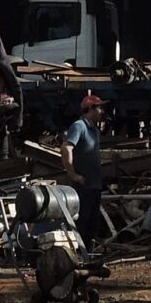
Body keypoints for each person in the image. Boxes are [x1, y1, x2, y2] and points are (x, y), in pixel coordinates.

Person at [64, 93, 108, 243]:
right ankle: (79, 254)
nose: (102, 112)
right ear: (90, 109)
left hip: (94, 184)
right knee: (82, 221)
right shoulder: (79, 126)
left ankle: (87, 254)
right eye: (99, 108)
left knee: (92, 224)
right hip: (83, 185)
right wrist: (73, 175)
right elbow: (66, 148)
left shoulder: (94, 131)